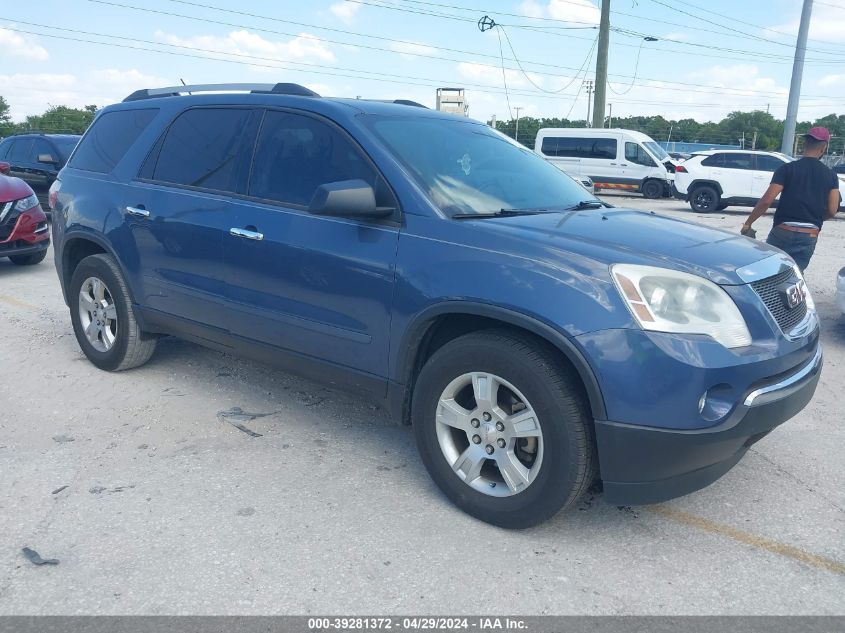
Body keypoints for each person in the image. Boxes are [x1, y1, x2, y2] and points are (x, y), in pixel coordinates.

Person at [740, 127, 841, 271]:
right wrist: (815, 219)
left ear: (804, 144)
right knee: (795, 274)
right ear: (824, 148)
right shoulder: (831, 175)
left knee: (770, 272)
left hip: (783, 230)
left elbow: (767, 200)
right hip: (809, 234)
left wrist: (748, 223)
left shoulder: (787, 169)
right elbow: (832, 210)